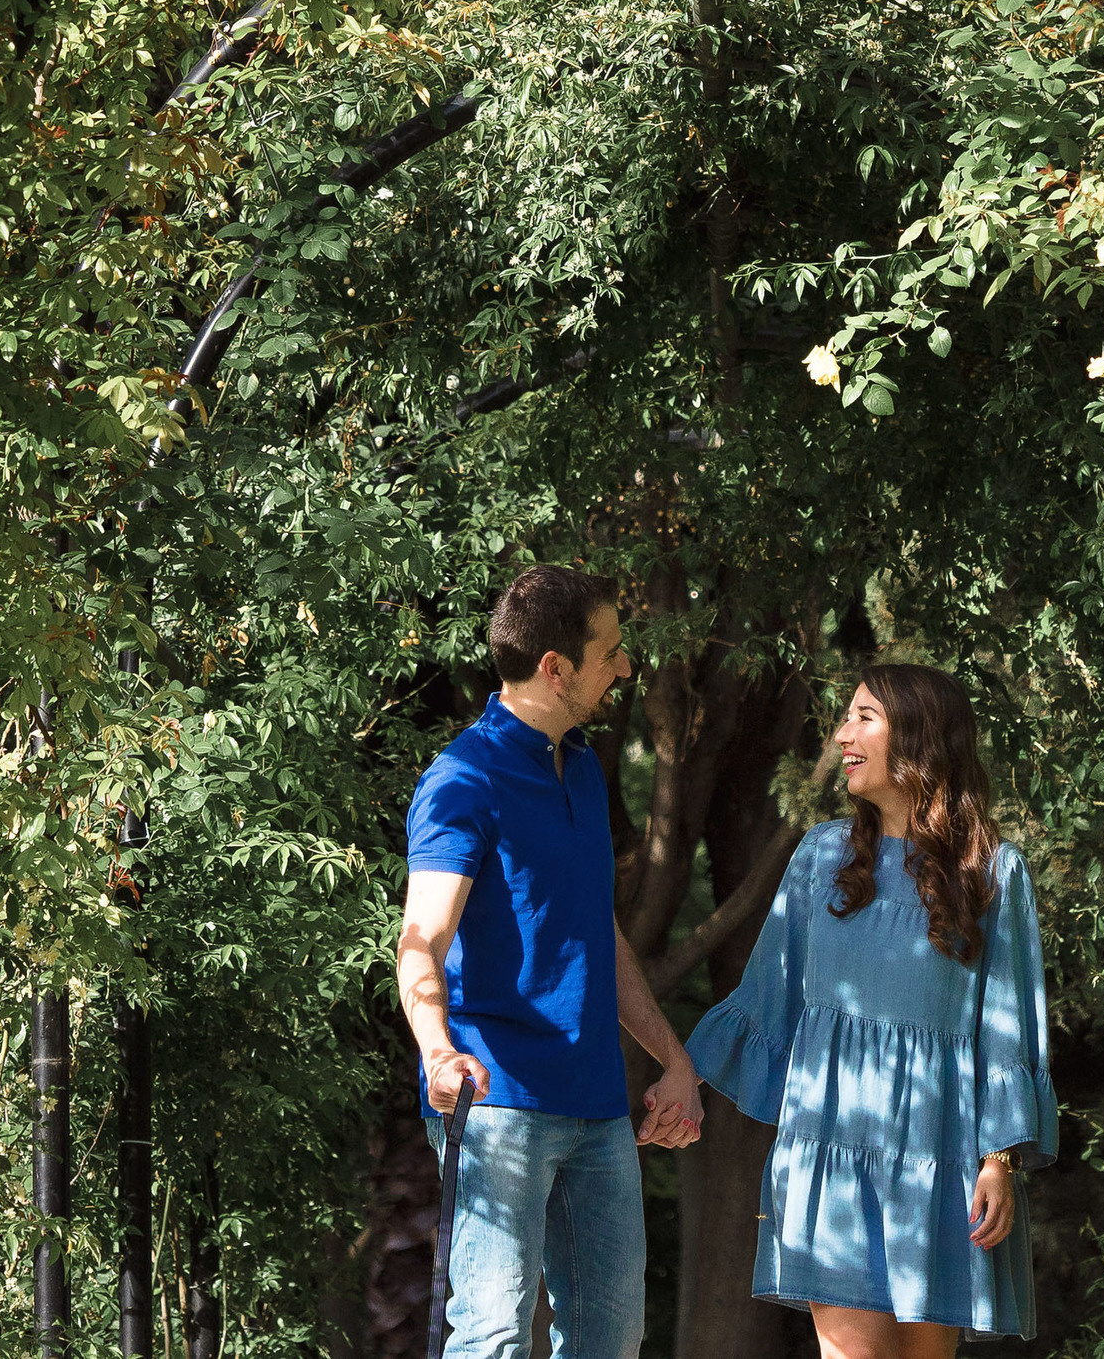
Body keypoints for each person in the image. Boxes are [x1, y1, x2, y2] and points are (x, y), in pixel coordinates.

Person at [687, 663, 1057, 1357]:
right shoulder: (819, 855)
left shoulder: (993, 872)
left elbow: (1009, 1025)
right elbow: (766, 1000)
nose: (842, 734)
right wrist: (682, 1079)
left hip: (943, 1160)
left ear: (916, 736)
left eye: (863, 717)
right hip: (832, 1155)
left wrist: (998, 1159)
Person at [396, 565, 704, 1359]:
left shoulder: (585, 769)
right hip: (496, 1097)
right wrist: (436, 1050)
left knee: (610, 1338)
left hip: (598, 1103)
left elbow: (595, 933)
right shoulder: (464, 779)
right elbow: (420, 939)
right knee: (492, 1336)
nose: (627, 668)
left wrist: (672, 1059)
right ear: (556, 668)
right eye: (611, 652)